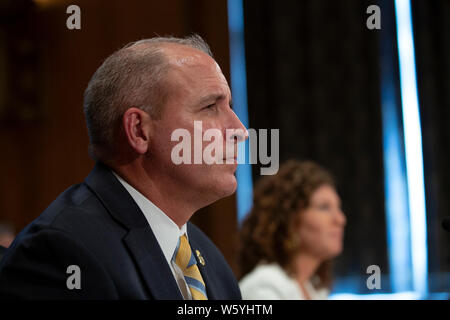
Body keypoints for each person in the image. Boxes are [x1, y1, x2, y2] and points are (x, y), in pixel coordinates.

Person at [0, 35, 246, 299]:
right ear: (139, 131)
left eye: (229, 106)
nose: (240, 130)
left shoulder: (208, 259)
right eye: (210, 107)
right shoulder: (62, 254)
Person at [238, 160, 346, 300]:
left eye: (338, 208)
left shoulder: (314, 288)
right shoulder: (263, 287)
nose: (340, 219)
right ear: (289, 219)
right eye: (324, 207)